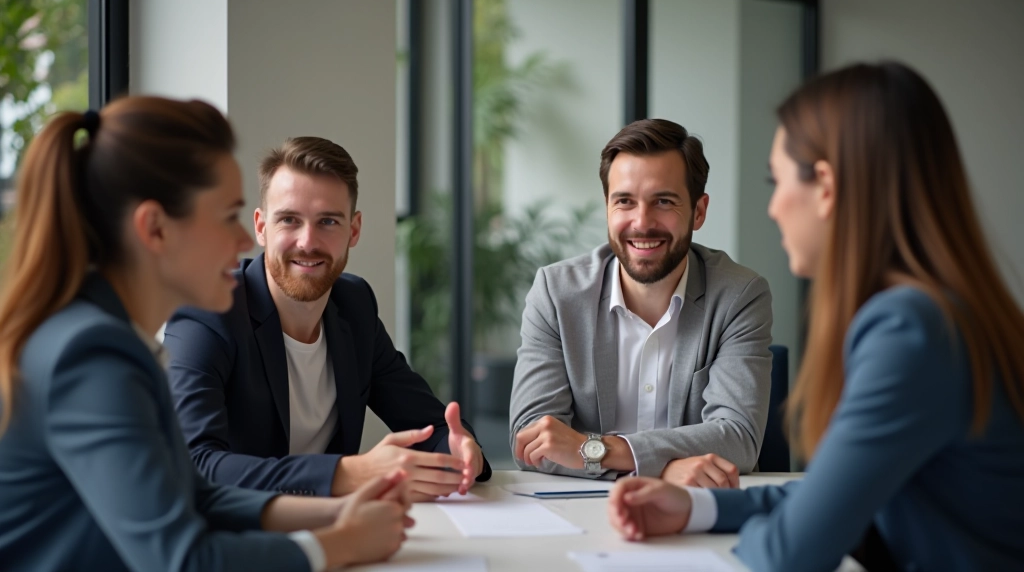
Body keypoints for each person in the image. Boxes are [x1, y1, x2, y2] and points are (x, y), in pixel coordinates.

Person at [607, 62, 1024, 571]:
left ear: (825, 186)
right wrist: (695, 506)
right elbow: (830, 497)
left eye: (776, 181)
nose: (774, 207)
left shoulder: (909, 330)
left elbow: (792, 552)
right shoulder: (934, 311)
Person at [0, 98, 413, 572]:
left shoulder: (107, 335)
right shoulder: (90, 355)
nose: (243, 241)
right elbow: (183, 561)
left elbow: (193, 494)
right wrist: (338, 545)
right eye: (226, 216)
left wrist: (338, 512)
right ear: (155, 229)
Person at [164, 136, 490, 503]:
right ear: (261, 227)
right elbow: (193, 463)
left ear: (353, 230)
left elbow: (429, 427)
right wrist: (348, 474)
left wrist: (462, 452)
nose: (307, 241)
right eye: (289, 219)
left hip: (338, 529)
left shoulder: (355, 306)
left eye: (328, 221)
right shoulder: (207, 311)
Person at [510, 118, 773, 485]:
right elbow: (532, 441)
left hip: (695, 514)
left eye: (663, 201)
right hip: (581, 512)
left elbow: (739, 437)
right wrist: (663, 468)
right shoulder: (556, 294)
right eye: (624, 202)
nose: (641, 222)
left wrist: (599, 451)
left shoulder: (739, 295)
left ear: (699, 211)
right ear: (607, 207)